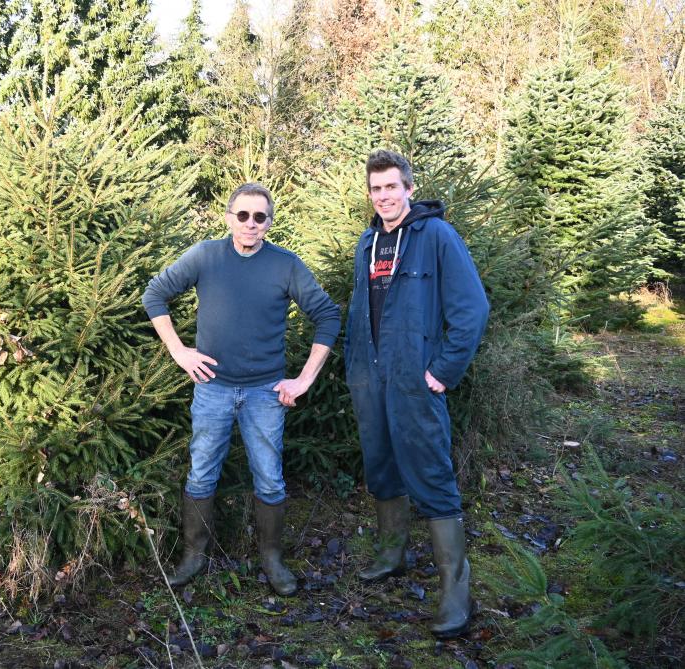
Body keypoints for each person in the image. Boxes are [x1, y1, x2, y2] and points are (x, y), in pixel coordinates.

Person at [142, 183, 341, 595]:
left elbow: (328, 315)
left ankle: (272, 559)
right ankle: (193, 556)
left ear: (269, 222)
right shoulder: (205, 256)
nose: (251, 224)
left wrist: (304, 379)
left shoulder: (285, 265)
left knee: (269, 479)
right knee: (201, 474)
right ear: (228, 217)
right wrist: (179, 351)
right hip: (212, 388)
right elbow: (155, 294)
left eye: (260, 217)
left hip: (266, 393)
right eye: (243, 215)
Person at [344, 150, 489, 638]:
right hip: (370, 378)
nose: (383, 196)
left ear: (409, 188)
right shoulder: (368, 242)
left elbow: (471, 309)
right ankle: (392, 554)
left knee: (430, 471)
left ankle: (455, 589)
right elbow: (360, 310)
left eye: (392, 186)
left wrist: (443, 371)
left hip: (414, 378)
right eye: (376, 188)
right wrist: (355, 369)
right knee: (381, 462)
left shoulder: (437, 236)